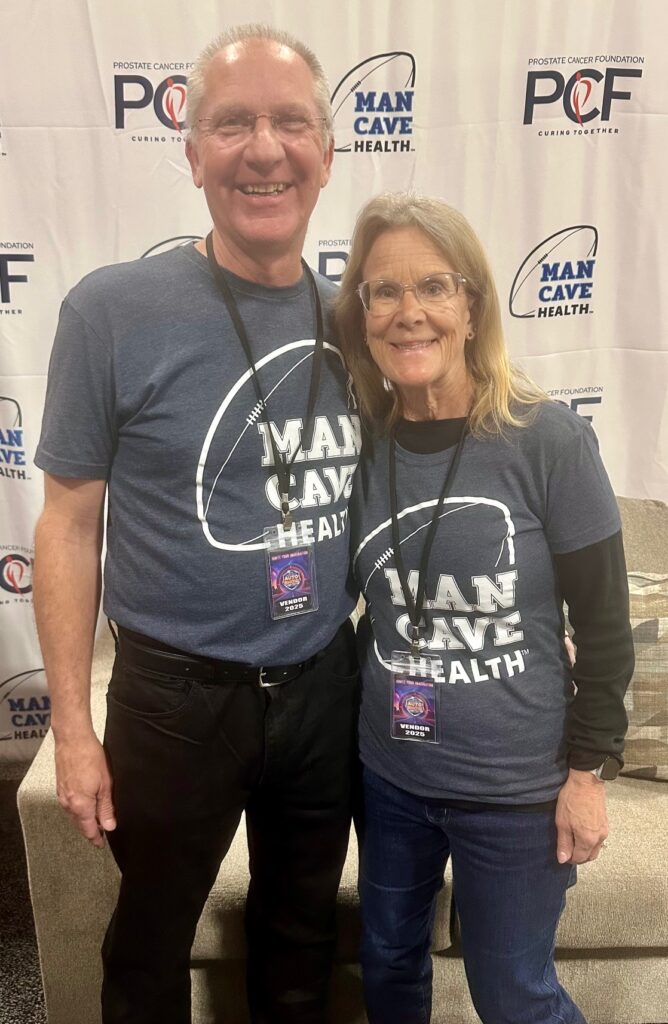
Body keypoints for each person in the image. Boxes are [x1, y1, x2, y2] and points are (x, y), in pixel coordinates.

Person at [33, 24, 361, 1024]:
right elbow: (67, 524)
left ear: (326, 152)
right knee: (148, 946)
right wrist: (75, 730)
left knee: (300, 942)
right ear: (189, 153)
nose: (263, 149)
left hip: (321, 687)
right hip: (176, 702)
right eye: (232, 124)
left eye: (289, 122)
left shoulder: (360, 323)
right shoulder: (113, 310)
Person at [335, 192, 634, 1024]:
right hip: (390, 779)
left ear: (471, 306)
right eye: (383, 292)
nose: (409, 313)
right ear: (362, 315)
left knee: (515, 997)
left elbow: (606, 631)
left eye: (433, 286)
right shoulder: (361, 447)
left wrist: (586, 775)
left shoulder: (546, 440)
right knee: (389, 968)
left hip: (517, 790)